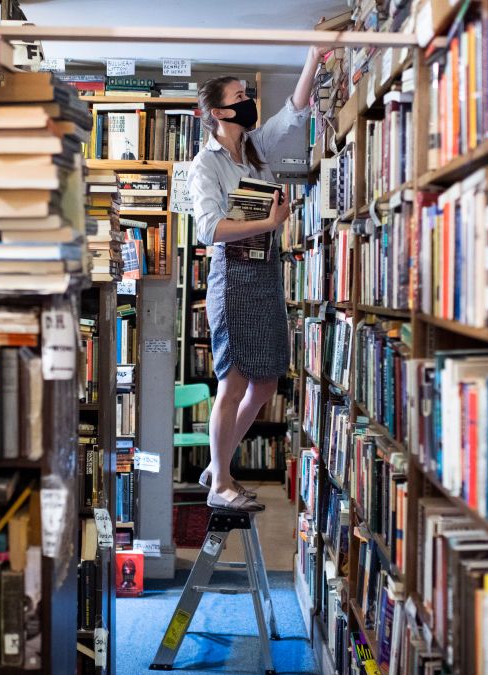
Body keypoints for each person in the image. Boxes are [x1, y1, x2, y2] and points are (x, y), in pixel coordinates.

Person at [188, 46, 328, 512]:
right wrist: (269, 224)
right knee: (233, 381)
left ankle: (218, 463)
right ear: (217, 112)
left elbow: (293, 114)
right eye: (240, 95)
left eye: (247, 93)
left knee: (265, 381)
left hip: (265, 272)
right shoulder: (205, 165)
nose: (248, 101)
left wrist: (313, 58)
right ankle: (220, 480)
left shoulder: (253, 149)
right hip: (233, 276)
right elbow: (209, 229)